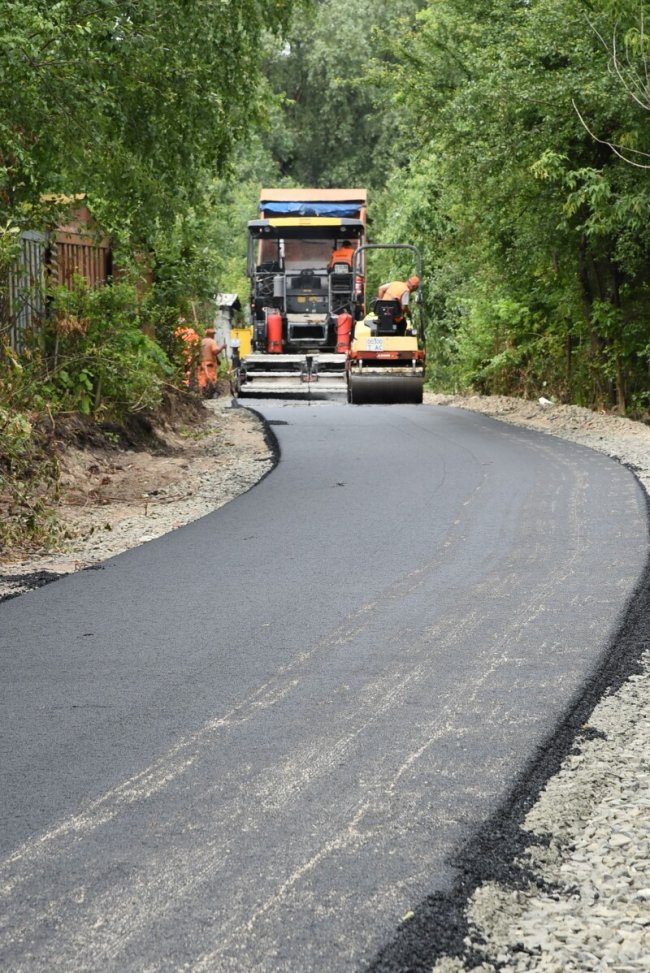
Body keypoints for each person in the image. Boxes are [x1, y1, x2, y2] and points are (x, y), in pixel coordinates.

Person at [197, 327, 227, 397]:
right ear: (211, 335)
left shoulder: (202, 341)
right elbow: (214, 352)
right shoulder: (212, 342)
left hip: (202, 365)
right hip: (210, 365)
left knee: (202, 381)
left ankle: (201, 395)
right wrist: (222, 347)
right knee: (212, 380)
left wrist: (218, 360)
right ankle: (212, 394)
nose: (214, 336)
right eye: (213, 334)